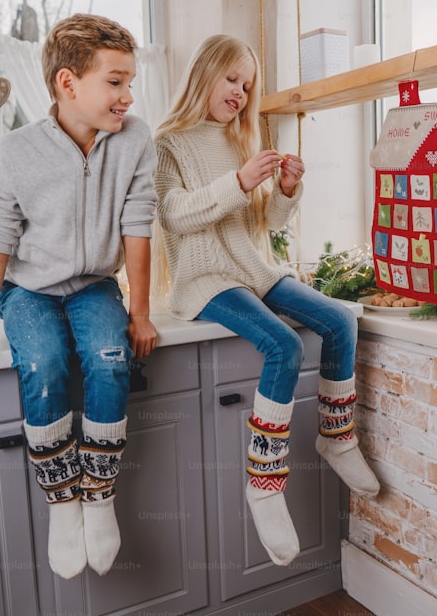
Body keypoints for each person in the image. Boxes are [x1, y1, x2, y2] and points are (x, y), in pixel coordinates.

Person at [152, 34, 379, 567]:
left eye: (247, 85)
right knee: (282, 345)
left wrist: (285, 191)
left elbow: (266, 224)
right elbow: (175, 215)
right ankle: (265, 482)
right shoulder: (167, 143)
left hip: (255, 268)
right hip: (206, 278)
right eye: (232, 79)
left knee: (340, 320)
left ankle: (337, 438)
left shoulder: (242, 139)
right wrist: (237, 180)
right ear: (204, 73)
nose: (240, 92)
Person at [0, 13, 158, 580]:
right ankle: (63, 503)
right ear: (69, 84)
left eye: (129, 82)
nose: (127, 96)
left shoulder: (135, 139)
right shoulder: (18, 150)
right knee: (41, 365)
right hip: (29, 291)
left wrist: (139, 313)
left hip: (93, 286)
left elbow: (139, 226)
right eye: (115, 82)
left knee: (109, 361)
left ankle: (100, 495)